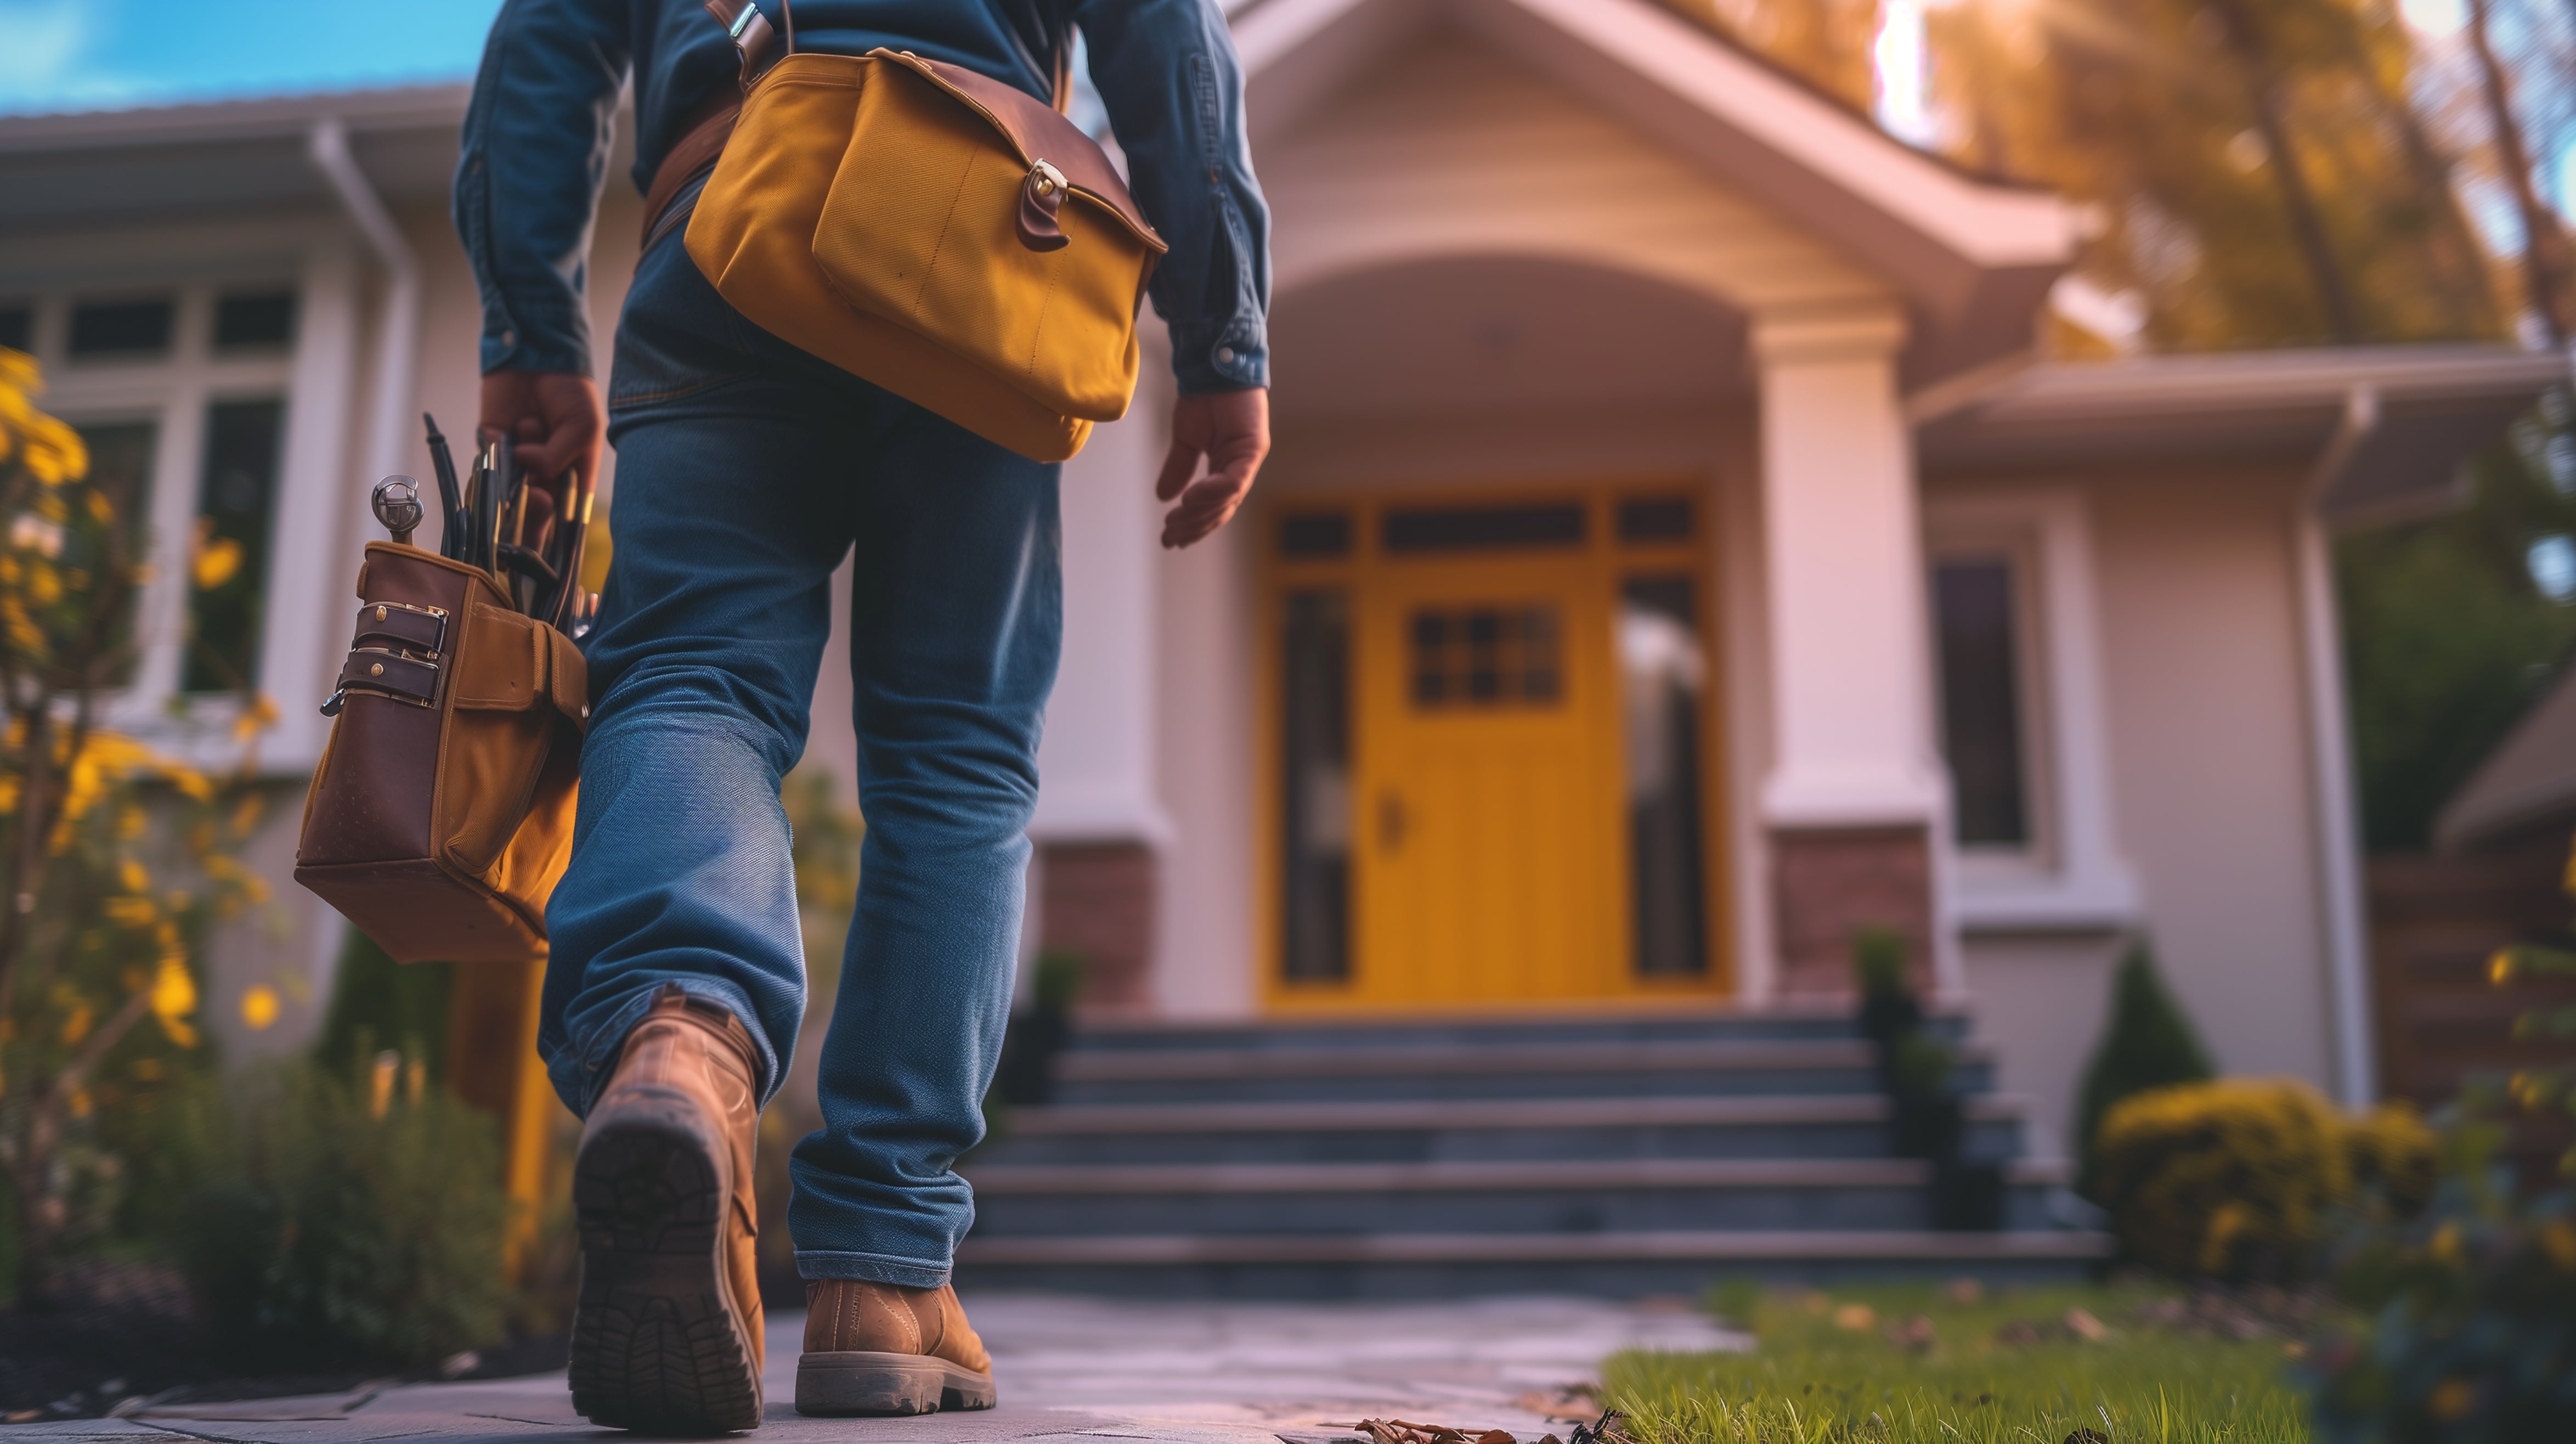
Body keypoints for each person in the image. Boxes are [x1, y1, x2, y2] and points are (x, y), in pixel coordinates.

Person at [453, 0, 1269, 1431]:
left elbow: (547, 39)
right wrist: (1223, 332)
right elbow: (1168, 38)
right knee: (957, 759)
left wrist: (532, 322)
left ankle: (679, 1034)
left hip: (732, 213)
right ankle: (884, 1275)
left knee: (693, 666)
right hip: (982, 233)